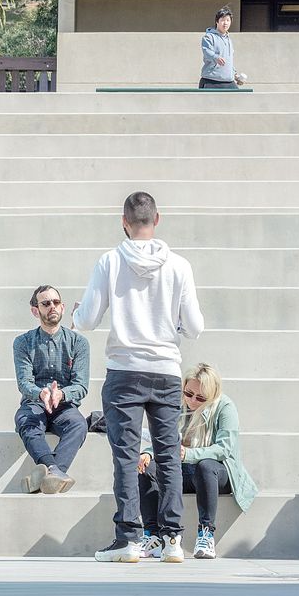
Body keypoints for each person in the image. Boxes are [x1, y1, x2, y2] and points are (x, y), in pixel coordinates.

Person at [72, 191, 204, 564]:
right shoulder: (179, 265)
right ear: (157, 219)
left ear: (124, 222)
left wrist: (78, 314)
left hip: (124, 371)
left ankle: (129, 539)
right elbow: (195, 327)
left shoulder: (110, 261)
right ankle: (173, 540)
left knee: (126, 458)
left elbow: (87, 320)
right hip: (165, 371)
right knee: (168, 456)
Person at [137, 363, 257, 560]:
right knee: (147, 467)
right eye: (188, 393)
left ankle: (206, 533)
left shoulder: (224, 406)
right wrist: (149, 453)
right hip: (184, 471)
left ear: (211, 394)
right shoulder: (179, 406)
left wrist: (189, 454)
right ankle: (153, 537)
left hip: (217, 474)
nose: (192, 401)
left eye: (200, 397)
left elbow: (224, 449)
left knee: (206, 465)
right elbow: (164, 439)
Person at [12, 285, 90, 495]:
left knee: (79, 424)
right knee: (25, 421)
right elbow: (24, 382)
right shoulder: (23, 342)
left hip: (64, 405)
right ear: (35, 310)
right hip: (35, 402)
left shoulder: (78, 343)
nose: (52, 307)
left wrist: (61, 394)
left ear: (63, 307)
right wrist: (42, 393)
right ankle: (55, 471)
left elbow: (81, 385)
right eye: (45, 303)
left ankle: (47, 473)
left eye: (56, 303)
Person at [199, 6, 241, 89]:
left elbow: (229, 60)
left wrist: (235, 74)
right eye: (222, 20)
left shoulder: (229, 40)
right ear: (217, 21)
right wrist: (216, 57)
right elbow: (207, 52)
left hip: (229, 81)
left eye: (228, 20)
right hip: (211, 80)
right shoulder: (209, 37)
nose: (225, 23)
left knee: (239, 100)